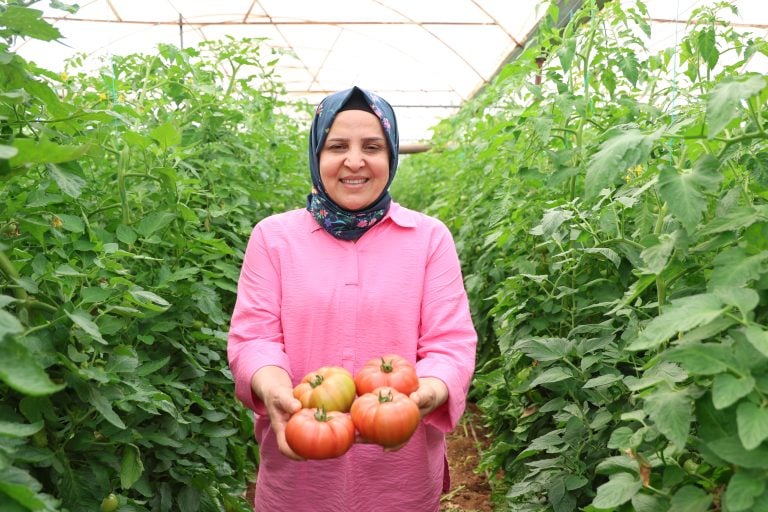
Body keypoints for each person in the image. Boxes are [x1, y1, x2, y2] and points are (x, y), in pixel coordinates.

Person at [227, 86, 477, 511]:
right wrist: (274, 390)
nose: (355, 161)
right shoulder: (273, 238)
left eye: (373, 147)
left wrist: (426, 394)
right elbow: (255, 337)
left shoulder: (429, 238)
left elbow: (450, 343)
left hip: (401, 476)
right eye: (337, 146)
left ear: (392, 156)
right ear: (316, 154)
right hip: (298, 476)